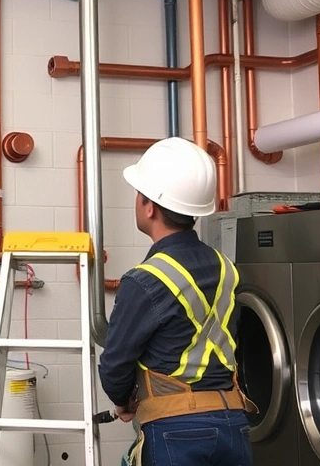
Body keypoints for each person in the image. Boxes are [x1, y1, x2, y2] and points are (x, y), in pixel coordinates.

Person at [98, 137, 258, 466]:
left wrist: (123, 400)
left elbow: (115, 364)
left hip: (177, 431)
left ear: (150, 206)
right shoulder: (227, 268)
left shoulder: (144, 280)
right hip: (234, 423)